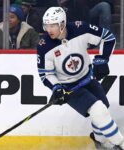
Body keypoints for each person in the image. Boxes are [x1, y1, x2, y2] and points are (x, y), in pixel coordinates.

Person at [37, 7, 124, 150]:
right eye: (46, 25)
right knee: (98, 110)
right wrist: (57, 88)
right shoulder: (44, 46)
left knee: (102, 110)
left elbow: (108, 37)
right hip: (69, 88)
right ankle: (120, 144)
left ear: (62, 24)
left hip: (87, 78)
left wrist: (102, 60)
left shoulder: (80, 29)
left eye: (52, 25)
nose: (48, 29)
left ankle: (100, 142)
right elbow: (45, 73)